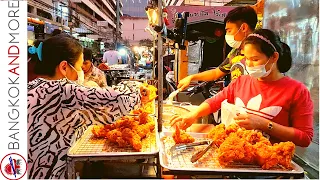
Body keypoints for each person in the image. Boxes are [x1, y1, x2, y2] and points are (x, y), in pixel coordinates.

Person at [28, 34, 150, 179]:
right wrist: (139, 89)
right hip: (47, 172)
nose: (81, 72)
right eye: (79, 66)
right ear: (64, 67)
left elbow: (81, 117)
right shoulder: (61, 89)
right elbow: (112, 98)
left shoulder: (32, 86)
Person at [170, 29, 314, 147]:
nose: (249, 64)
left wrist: (265, 125)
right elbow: (215, 101)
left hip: (272, 168)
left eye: (255, 59)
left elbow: (305, 138)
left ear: (274, 57)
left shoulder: (297, 91)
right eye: (247, 58)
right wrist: (193, 115)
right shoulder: (242, 82)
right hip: (238, 161)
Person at [177, 6, 258, 91]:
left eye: (229, 30)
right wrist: (191, 77)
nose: (227, 35)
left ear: (244, 28)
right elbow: (216, 73)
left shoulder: (261, 51)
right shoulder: (235, 52)